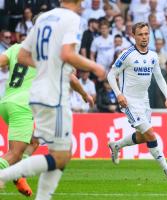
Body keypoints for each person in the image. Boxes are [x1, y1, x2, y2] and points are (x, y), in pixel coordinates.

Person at [0, 1, 105, 200]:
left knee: (36, 140)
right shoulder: (67, 23)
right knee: (50, 153)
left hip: (10, 102)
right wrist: (91, 77)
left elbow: (20, 57)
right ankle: (8, 174)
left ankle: (21, 176)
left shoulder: (20, 45)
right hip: (38, 101)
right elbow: (70, 69)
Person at [107, 22, 167, 181]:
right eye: (140, 34)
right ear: (134, 36)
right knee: (151, 135)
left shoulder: (153, 55)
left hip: (144, 101)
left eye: (146, 34)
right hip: (129, 102)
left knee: (143, 137)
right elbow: (111, 75)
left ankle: (116, 145)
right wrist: (119, 94)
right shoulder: (127, 54)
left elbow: (159, 77)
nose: (144, 37)